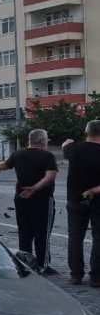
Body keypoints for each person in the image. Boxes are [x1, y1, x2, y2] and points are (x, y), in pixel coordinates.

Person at [0, 128, 58, 274]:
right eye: (47, 139)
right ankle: (43, 265)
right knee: (42, 234)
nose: (47, 141)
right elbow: (50, 178)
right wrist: (35, 188)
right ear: (42, 141)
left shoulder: (18, 154)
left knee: (25, 233)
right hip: (42, 200)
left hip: (21, 199)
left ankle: (25, 263)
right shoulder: (47, 156)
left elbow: (3, 165)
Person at [61, 119, 100, 287]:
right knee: (98, 239)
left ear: (86, 133)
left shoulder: (74, 149)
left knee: (75, 238)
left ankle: (76, 275)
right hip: (98, 202)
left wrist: (69, 142)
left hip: (75, 200)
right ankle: (96, 277)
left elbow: (65, 145)